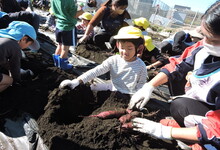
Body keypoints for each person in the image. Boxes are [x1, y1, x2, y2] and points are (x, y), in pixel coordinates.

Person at [128, 1, 220, 149]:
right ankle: (189, 131)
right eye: (204, 36)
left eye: (213, 39)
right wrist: (149, 86)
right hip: (206, 108)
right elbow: (177, 65)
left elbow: (218, 127)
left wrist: (167, 132)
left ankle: (202, 142)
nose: (205, 42)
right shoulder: (202, 48)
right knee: (179, 105)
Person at [59, 26, 147, 95]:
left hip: (129, 93)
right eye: (122, 48)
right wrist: (77, 81)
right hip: (113, 88)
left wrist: (134, 96)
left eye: (130, 48)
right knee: (88, 89)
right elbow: (97, 70)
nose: (125, 52)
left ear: (139, 48)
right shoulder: (114, 60)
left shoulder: (141, 66)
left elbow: (141, 84)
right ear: (117, 45)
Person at [0, 21, 40, 92]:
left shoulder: (3, 39)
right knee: (9, 81)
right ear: (24, 39)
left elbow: (4, 62)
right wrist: (17, 82)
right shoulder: (15, 46)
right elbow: (14, 68)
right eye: (28, 45)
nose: (26, 47)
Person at [51, 0, 83, 70]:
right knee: (65, 48)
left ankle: (56, 62)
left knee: (60, 45)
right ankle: (63, 66)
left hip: (59, 24)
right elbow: (74, 15)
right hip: (68, 26)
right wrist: (83, 9)